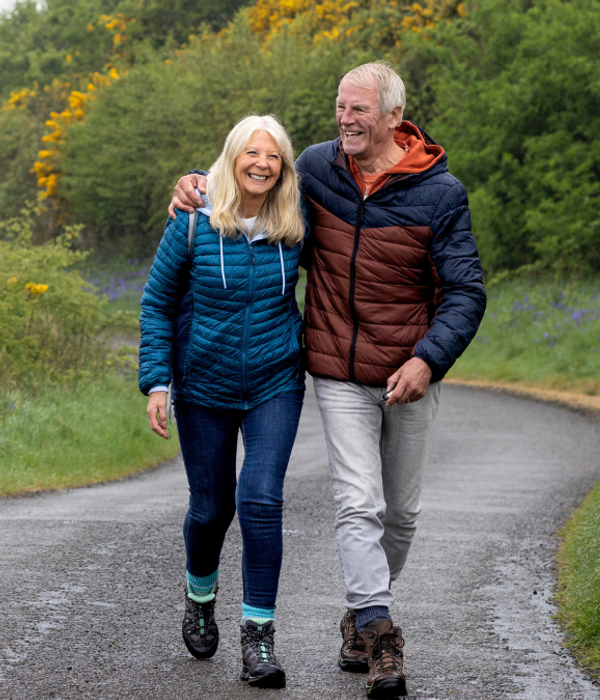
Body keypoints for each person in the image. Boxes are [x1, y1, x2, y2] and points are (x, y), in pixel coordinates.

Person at [171, 61, 486, 700]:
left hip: (409, 374)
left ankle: (356, 615)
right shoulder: (317, 167)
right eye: (340, 107)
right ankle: (379, 630)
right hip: (337, 372)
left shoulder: (441, 193)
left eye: (358, 110)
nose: (344, 120)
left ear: (395, 117)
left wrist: (428, 359)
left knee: (400, 514)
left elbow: (466, 291)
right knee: (356, 502)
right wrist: (196, 182)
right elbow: (250, 170)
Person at [142, 114, 306, 689]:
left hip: (275, 383)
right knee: (211, 508)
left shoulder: (296, 221)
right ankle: (200, 595)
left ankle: (258, 637)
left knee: (260, 499)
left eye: (274, 156)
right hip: (203, 386)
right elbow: (157, 304)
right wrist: (157, 382)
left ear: (284, 166)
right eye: (251, 153)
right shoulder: (193, 220)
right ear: (232, 157)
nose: (262, 164)